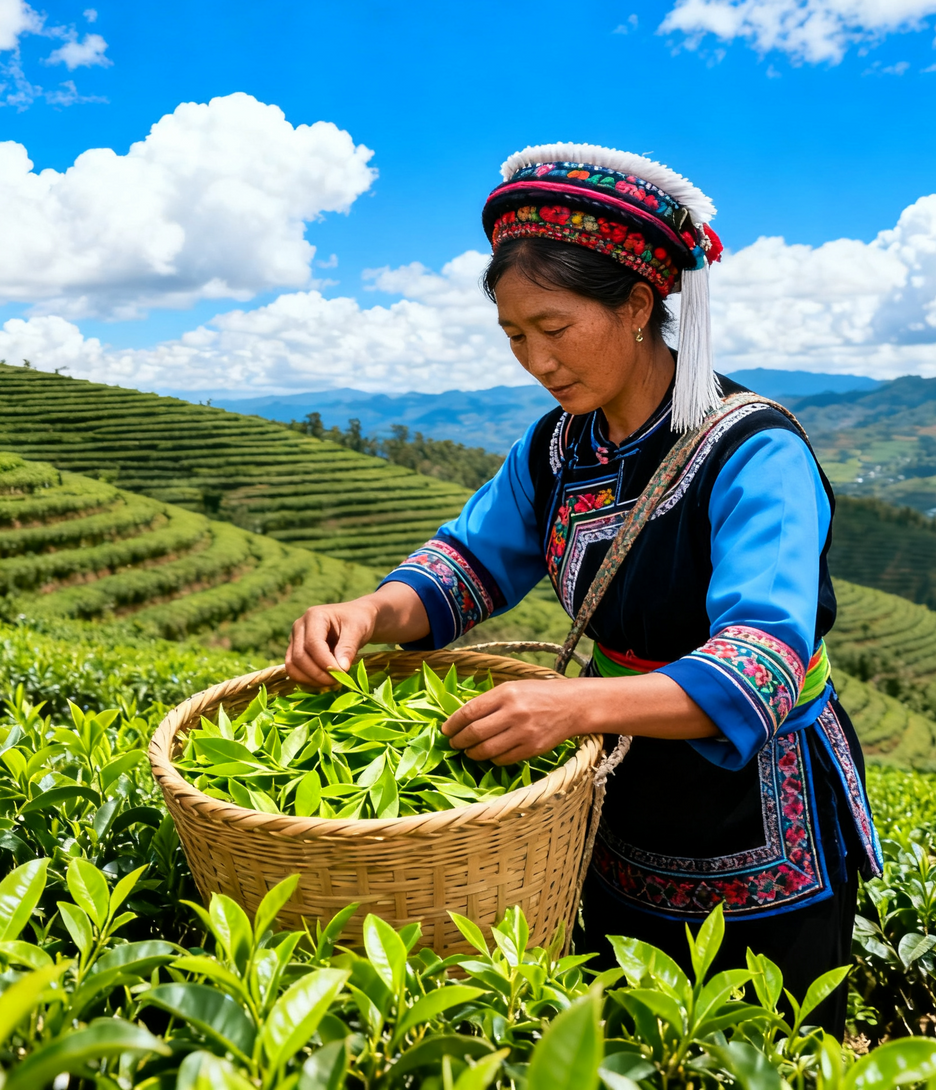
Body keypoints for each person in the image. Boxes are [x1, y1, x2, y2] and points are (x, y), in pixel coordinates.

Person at [285, 142, 881, 1035]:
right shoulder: (560, 448)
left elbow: (761, 665)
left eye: (554, 329)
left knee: (764, 1040)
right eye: (515, 336)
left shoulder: (755, 452)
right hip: (614, 795)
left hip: (757, 815)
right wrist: (367, 612)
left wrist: (570, 708)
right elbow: (469, 565)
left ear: (639, 305)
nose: (535, 360)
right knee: (619, 1032)